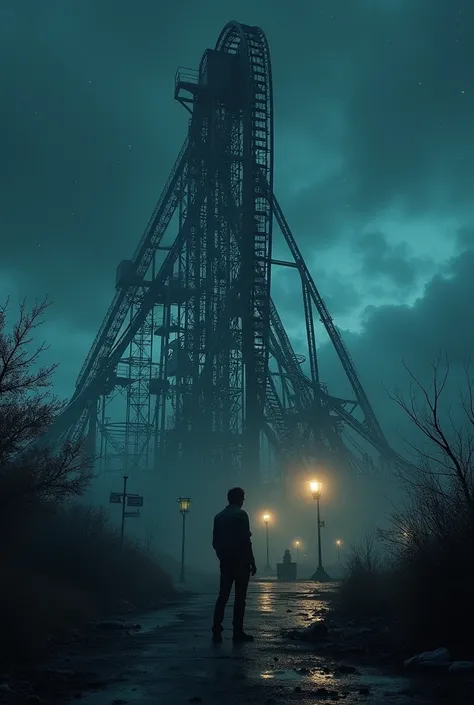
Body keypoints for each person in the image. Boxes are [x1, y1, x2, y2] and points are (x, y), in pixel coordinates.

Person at [212, 487, 257, 643]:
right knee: (240, 598)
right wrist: (252, 561)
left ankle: (216, 628)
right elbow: (245, 540)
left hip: (225, 563)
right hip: (241, 563)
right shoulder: (241, 515)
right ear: (239, 499)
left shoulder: (218, 517)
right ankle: (237, 632)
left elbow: (215, 542)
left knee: (223, 596)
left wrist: (222, 557)